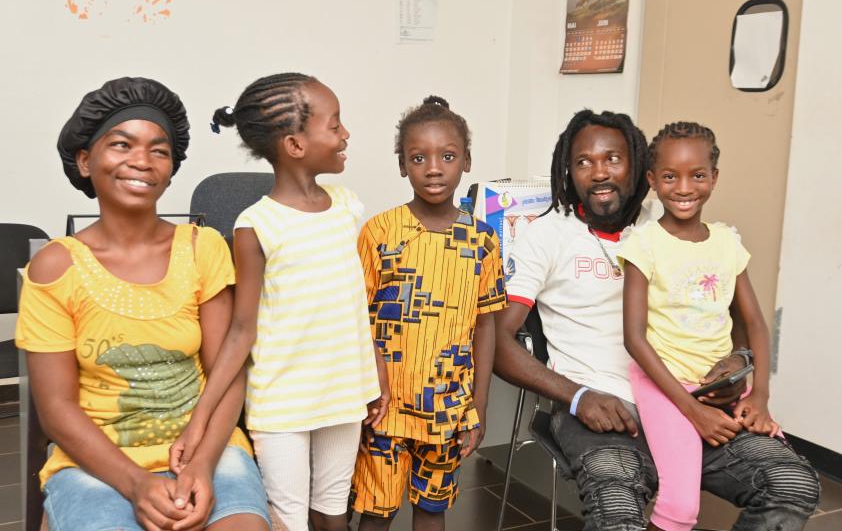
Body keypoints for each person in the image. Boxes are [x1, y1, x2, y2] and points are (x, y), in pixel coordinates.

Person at [494, 109, 820, 531]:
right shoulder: (546, 235)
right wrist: (577, 396)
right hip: (605, 413)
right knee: (617, 510)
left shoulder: (670, 218)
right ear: (568, 170)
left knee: (791, 483)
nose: (598, 173)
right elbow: (498, 342)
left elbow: (737, 311)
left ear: (639, 166)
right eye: (583, 162)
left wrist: (740, 362)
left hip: (696, 401)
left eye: (612, 159)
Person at [15, 77, 271, 531]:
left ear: (171, 168)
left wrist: (202, 464)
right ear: (84, 160)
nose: (142, 161)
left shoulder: (202, 248)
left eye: (159, 150)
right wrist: (135, 483)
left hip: (207, 449)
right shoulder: (55, 267)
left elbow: (228, 373)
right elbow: (56, 408)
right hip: (97, 463)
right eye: (121, 144)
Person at [168, 73, 387, 531]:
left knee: (333, 509)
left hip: (343, 392)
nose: (345, 134)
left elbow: (355, 304)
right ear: (294, 144)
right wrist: (201, 419)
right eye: (335, 125)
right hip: (283, 402)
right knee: (288, 519)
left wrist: (375, 372)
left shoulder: (348, 207)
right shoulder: (257, 225)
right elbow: (241, 330)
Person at [351, 96, 507, 531]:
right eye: (419, 157)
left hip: (448, 407)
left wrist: (478, 405)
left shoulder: (482, 240)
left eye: (448, 156)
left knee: (432, 510)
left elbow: (485, 325)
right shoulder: (379, 233)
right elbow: (358, 318)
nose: (434, 168)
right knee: (376, 513)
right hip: (384, 405)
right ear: (403, 165)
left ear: (467, 162)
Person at [618, 121, 780, 531]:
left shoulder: (727, 242)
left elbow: (756, 324)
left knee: (780, 476)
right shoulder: (644, 243)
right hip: (665, 384)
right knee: (680, 506)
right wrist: (690, 409)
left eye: (698, 175)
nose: (685, 187)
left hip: (721, 385)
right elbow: (634, 339)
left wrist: (758, 393)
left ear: (715, 178)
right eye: (670, 176)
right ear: (653, 180)